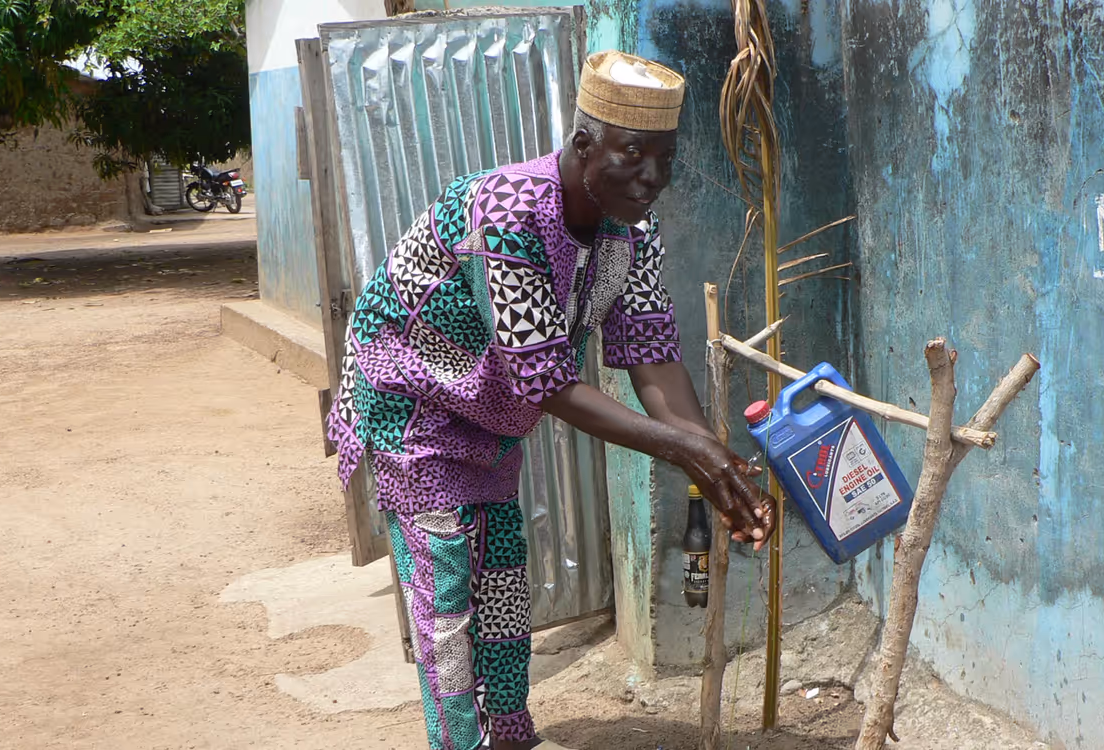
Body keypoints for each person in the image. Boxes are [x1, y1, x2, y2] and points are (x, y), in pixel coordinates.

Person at [326, 50, 774, 750]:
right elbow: (545, 379)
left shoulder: (633, 228)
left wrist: (716, 465)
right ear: (584, 143)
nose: (652, 178)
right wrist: (690, 451)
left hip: (486, 412)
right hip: (411, 404)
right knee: (447, 595)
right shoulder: (508, 210)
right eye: (633, 154)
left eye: (665, 159)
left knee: (503, 575)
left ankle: (510, 734)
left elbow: (652, 356)